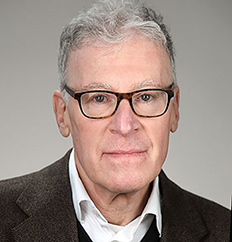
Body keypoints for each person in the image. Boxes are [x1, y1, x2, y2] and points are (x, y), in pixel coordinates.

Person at [0, 0, 230, 241]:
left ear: (174, 110)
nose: (125, 125)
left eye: (146, 96)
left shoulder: (223, 230)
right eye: (99, 98)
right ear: (62, 114)